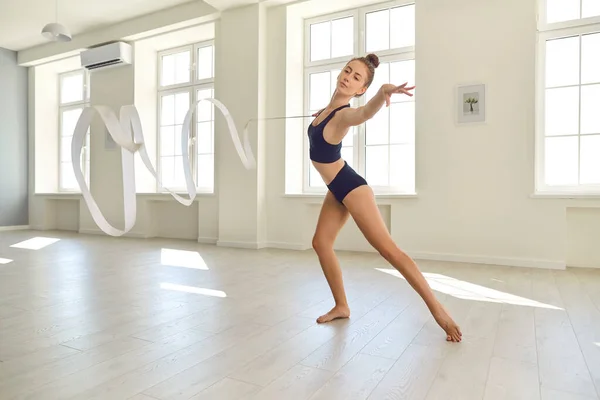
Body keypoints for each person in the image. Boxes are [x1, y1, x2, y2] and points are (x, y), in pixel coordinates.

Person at [308, 53, 462, 342]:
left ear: (361, 89)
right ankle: (342, 305)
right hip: (336, 188)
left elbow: (363, 114)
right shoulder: (328, 111)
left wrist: (382, 94)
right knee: (320, 243)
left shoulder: (343, 115)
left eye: (357, 78)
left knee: (390, 251)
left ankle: (439, 310)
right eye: (347, 71)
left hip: (351, 186)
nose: (348, 77)